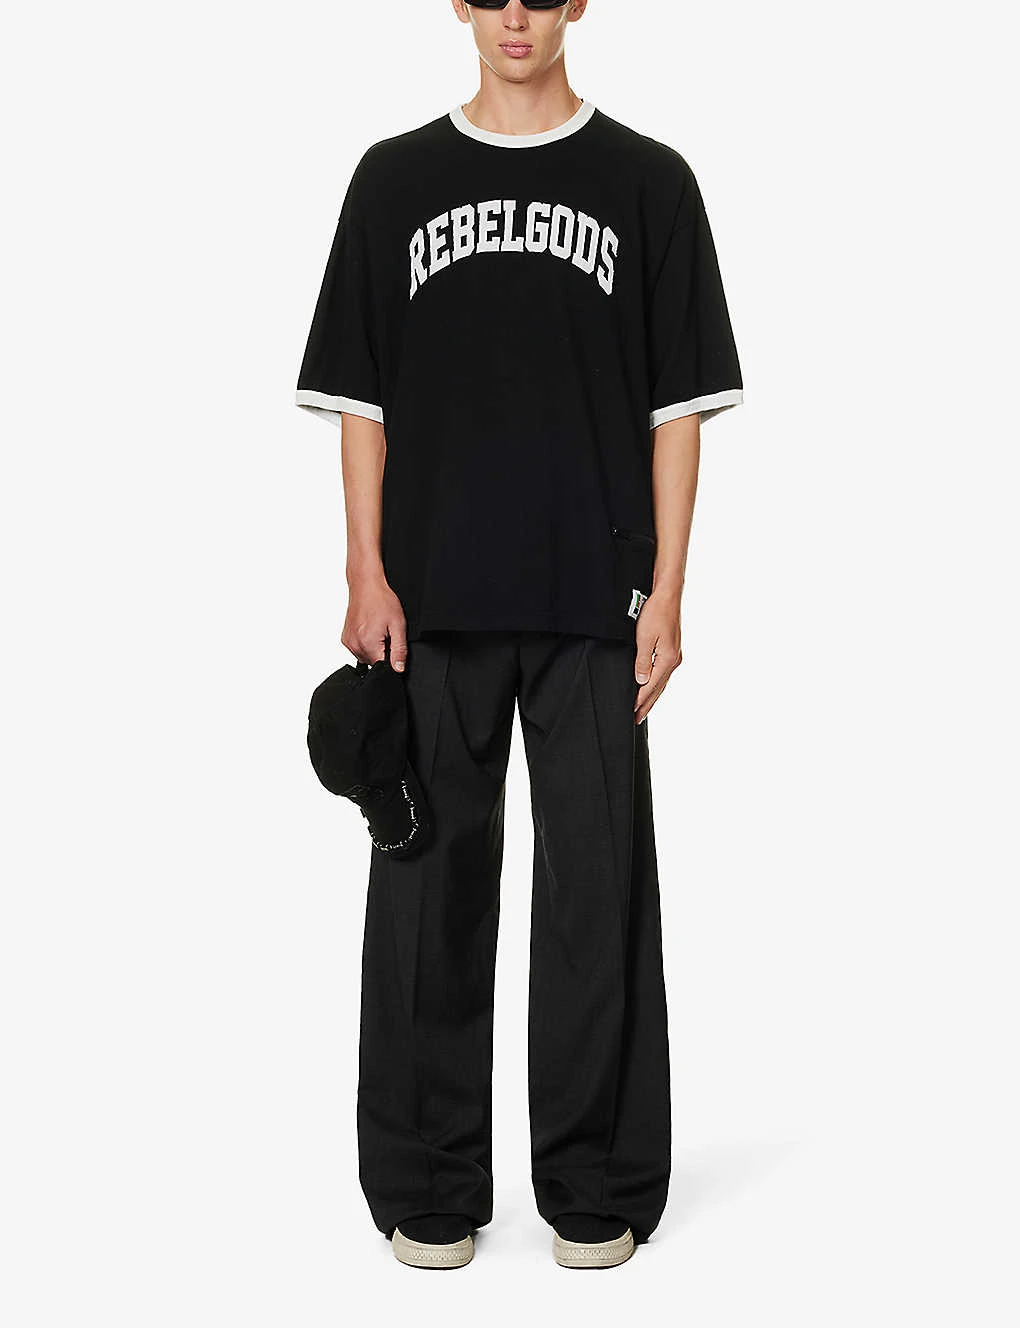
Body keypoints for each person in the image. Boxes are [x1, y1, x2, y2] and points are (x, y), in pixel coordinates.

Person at [295, 0, 743, 1271]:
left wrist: (670, 590)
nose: (515, 16)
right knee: (428, 884)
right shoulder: (394, 180)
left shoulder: (650, 182)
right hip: (431, 600)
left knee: (600, 889)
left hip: (595, 601)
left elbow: (675, 411)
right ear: (458, 1)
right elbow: (363, 399)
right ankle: (428, 1176)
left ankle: (595, 1175)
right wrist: (364, 568)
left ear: (577, 2)